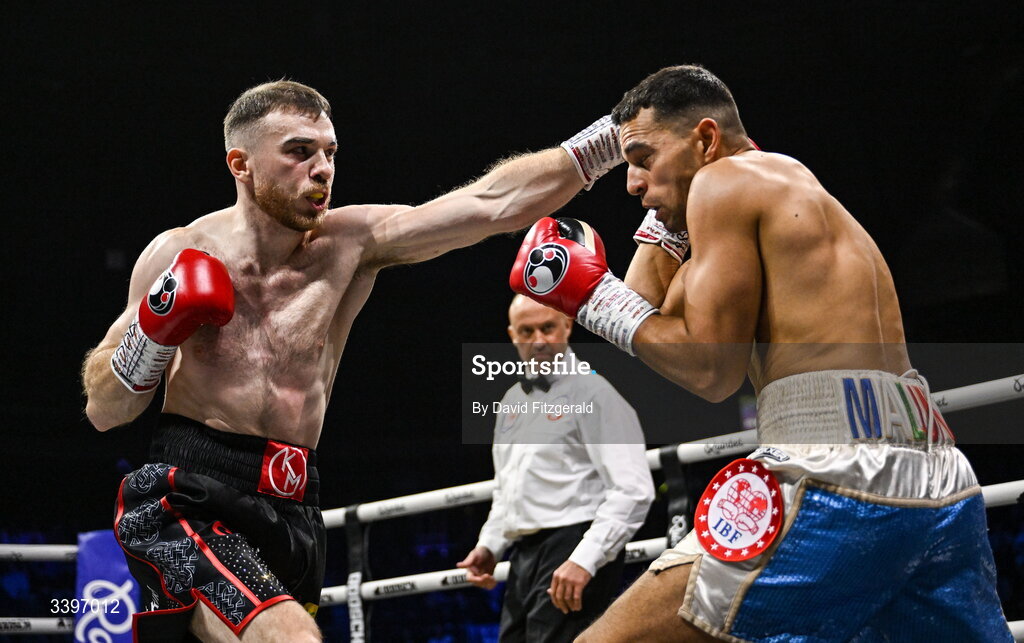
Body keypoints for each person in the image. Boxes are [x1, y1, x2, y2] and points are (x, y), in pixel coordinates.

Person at [81, 80, 626, 642]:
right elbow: (104, 408)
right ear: (240, 163)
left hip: (295, 502)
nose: (321, 169)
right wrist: (154, 325)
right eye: (299, 151)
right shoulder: (178, 252)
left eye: (329, 153)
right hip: (189, 493)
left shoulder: (351, 243)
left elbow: (492, 202)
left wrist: (617, 134)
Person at [510, 65, 1013, 641]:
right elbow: (651, 312)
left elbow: (709, 369)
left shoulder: (726, 183)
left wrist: (591, 296)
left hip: (839, 474)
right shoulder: (781, 192)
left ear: (704, 139)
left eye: (644, 158)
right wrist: (661, 219)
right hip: (939, 479)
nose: (631, 183)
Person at [457, 295, 654, 642]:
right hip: (524, 555)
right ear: (512, 335)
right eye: (526, 330)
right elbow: (508, 489)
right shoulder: (511, 402)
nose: (538, 340)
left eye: (547, 327)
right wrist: (489, 545)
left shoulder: (595, 394)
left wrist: (585, 559)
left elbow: (633, 489)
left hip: (574, 541)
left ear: (567, 325)